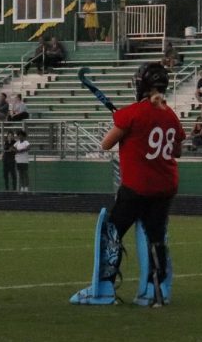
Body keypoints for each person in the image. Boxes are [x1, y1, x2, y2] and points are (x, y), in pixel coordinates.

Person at [71, 63, 183, 306]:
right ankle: (156, 293)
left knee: (112, 232)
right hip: (164, 188)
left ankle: (104, 290)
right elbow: (177, 151)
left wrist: (125, 126)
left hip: (137, 187)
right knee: (155, 237)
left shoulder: (131, 113)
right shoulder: (171, 115)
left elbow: (105, 144)